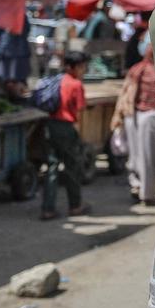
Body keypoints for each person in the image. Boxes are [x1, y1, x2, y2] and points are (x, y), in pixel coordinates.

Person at [41, 51, 92, 220]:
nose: (83, 70)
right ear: (74, 67)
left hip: (50, 126)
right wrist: (81, 135)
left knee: (52, 168)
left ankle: (48, 208)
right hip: (66, 128)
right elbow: (80, 111)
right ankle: (75, 205)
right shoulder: (76, 85)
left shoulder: (58, 80)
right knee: (72, 167)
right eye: (82, 66)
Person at [112, 44, 155, 205]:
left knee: (135, 155)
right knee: (150, 157)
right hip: (150, 116)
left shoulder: (135, 69)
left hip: (131, 116)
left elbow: (124, 94)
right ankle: (147, 194)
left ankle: (136, 185)